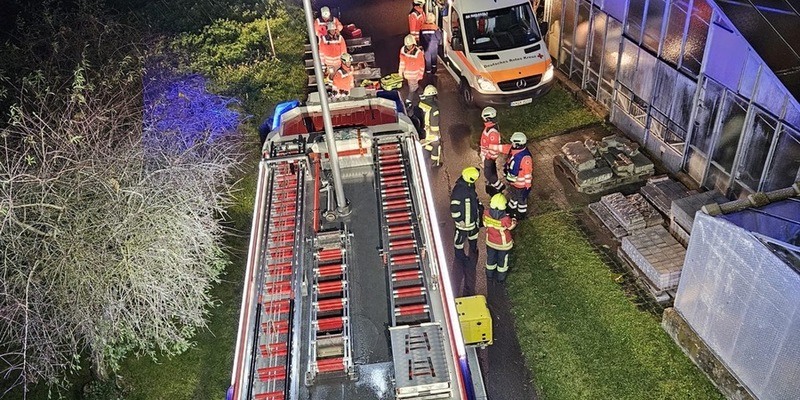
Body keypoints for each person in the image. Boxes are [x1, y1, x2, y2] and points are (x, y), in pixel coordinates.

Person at [451, 167, 482, 295]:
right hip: (463, 225)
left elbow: (474, 200)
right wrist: (459, 220)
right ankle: (460, 256)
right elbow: (454, 208)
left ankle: (472, 252)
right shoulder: (459, 191)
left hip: (472, 223)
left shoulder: (469, 186)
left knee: (473, 238)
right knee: (459, 242)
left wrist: (479, 207)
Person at [483, 193, 517, 283]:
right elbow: (510, 227)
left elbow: (485, 224)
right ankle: (501, 278)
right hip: (503, 245)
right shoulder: (505, 219)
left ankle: (489, 274)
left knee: (490, 258)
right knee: (502, 261)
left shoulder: (486, 213)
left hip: (490, 242)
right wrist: (514, 221)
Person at [503, 132, 533, 220]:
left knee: (521, 200)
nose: (512, 144)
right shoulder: (515, 151)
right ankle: (511, 208)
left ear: (518, 144)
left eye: (513, 142)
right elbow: (504, 148)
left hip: (521, 185)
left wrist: (527, 186)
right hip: (514, 183)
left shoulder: (525, 158)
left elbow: (528, 173)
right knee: (514, 196)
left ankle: (521, 214)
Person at [478, 107, 506, 196]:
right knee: (492, 171)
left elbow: (494, 148)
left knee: (488, 174)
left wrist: (488, 157)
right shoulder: (490, 127)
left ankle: (499, 186)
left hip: (489, 157)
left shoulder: (492, 132)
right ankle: (493, 185)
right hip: (487, 155)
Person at [418, 84, 441, 166]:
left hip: (423, 128)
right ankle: (435, 163)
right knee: (436, 145)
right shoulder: (434, 107)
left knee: (426, 142)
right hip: (430, 129)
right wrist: (435, 133)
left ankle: (423, 147)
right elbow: (434, 121)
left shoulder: (422, 103)